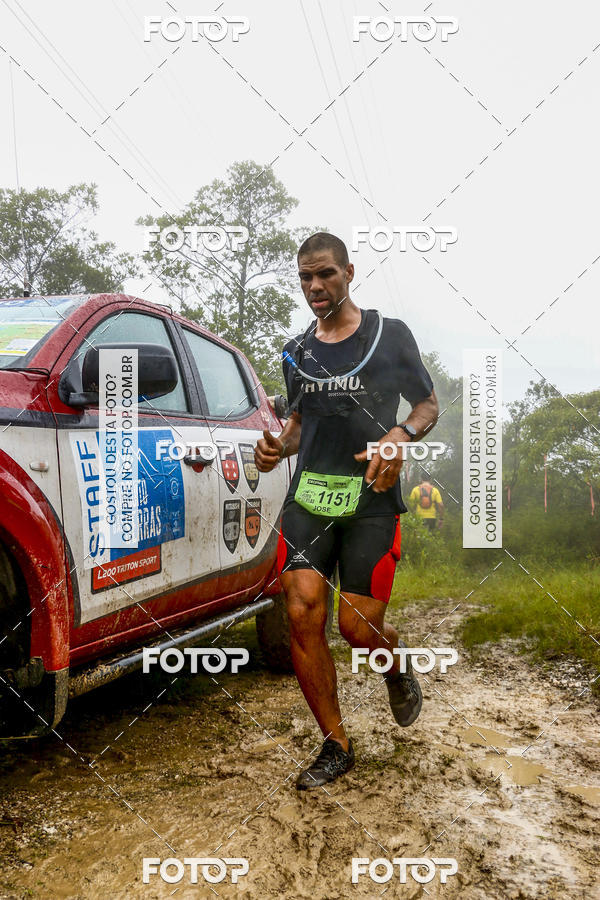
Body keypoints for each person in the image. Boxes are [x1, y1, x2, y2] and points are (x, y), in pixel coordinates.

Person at [254, 232, 438, 790]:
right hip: (309, 498)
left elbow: (427, 404)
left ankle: (396, 666)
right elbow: (299, 427)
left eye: (326, 274)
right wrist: (274, 447)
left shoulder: (390, 336)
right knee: (303, 613)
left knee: (358, 630)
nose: (315, 286)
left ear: (349, 271)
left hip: (371, 501)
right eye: (306, 277)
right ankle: (336, 743)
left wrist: (401, 434)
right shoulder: (294, 351)